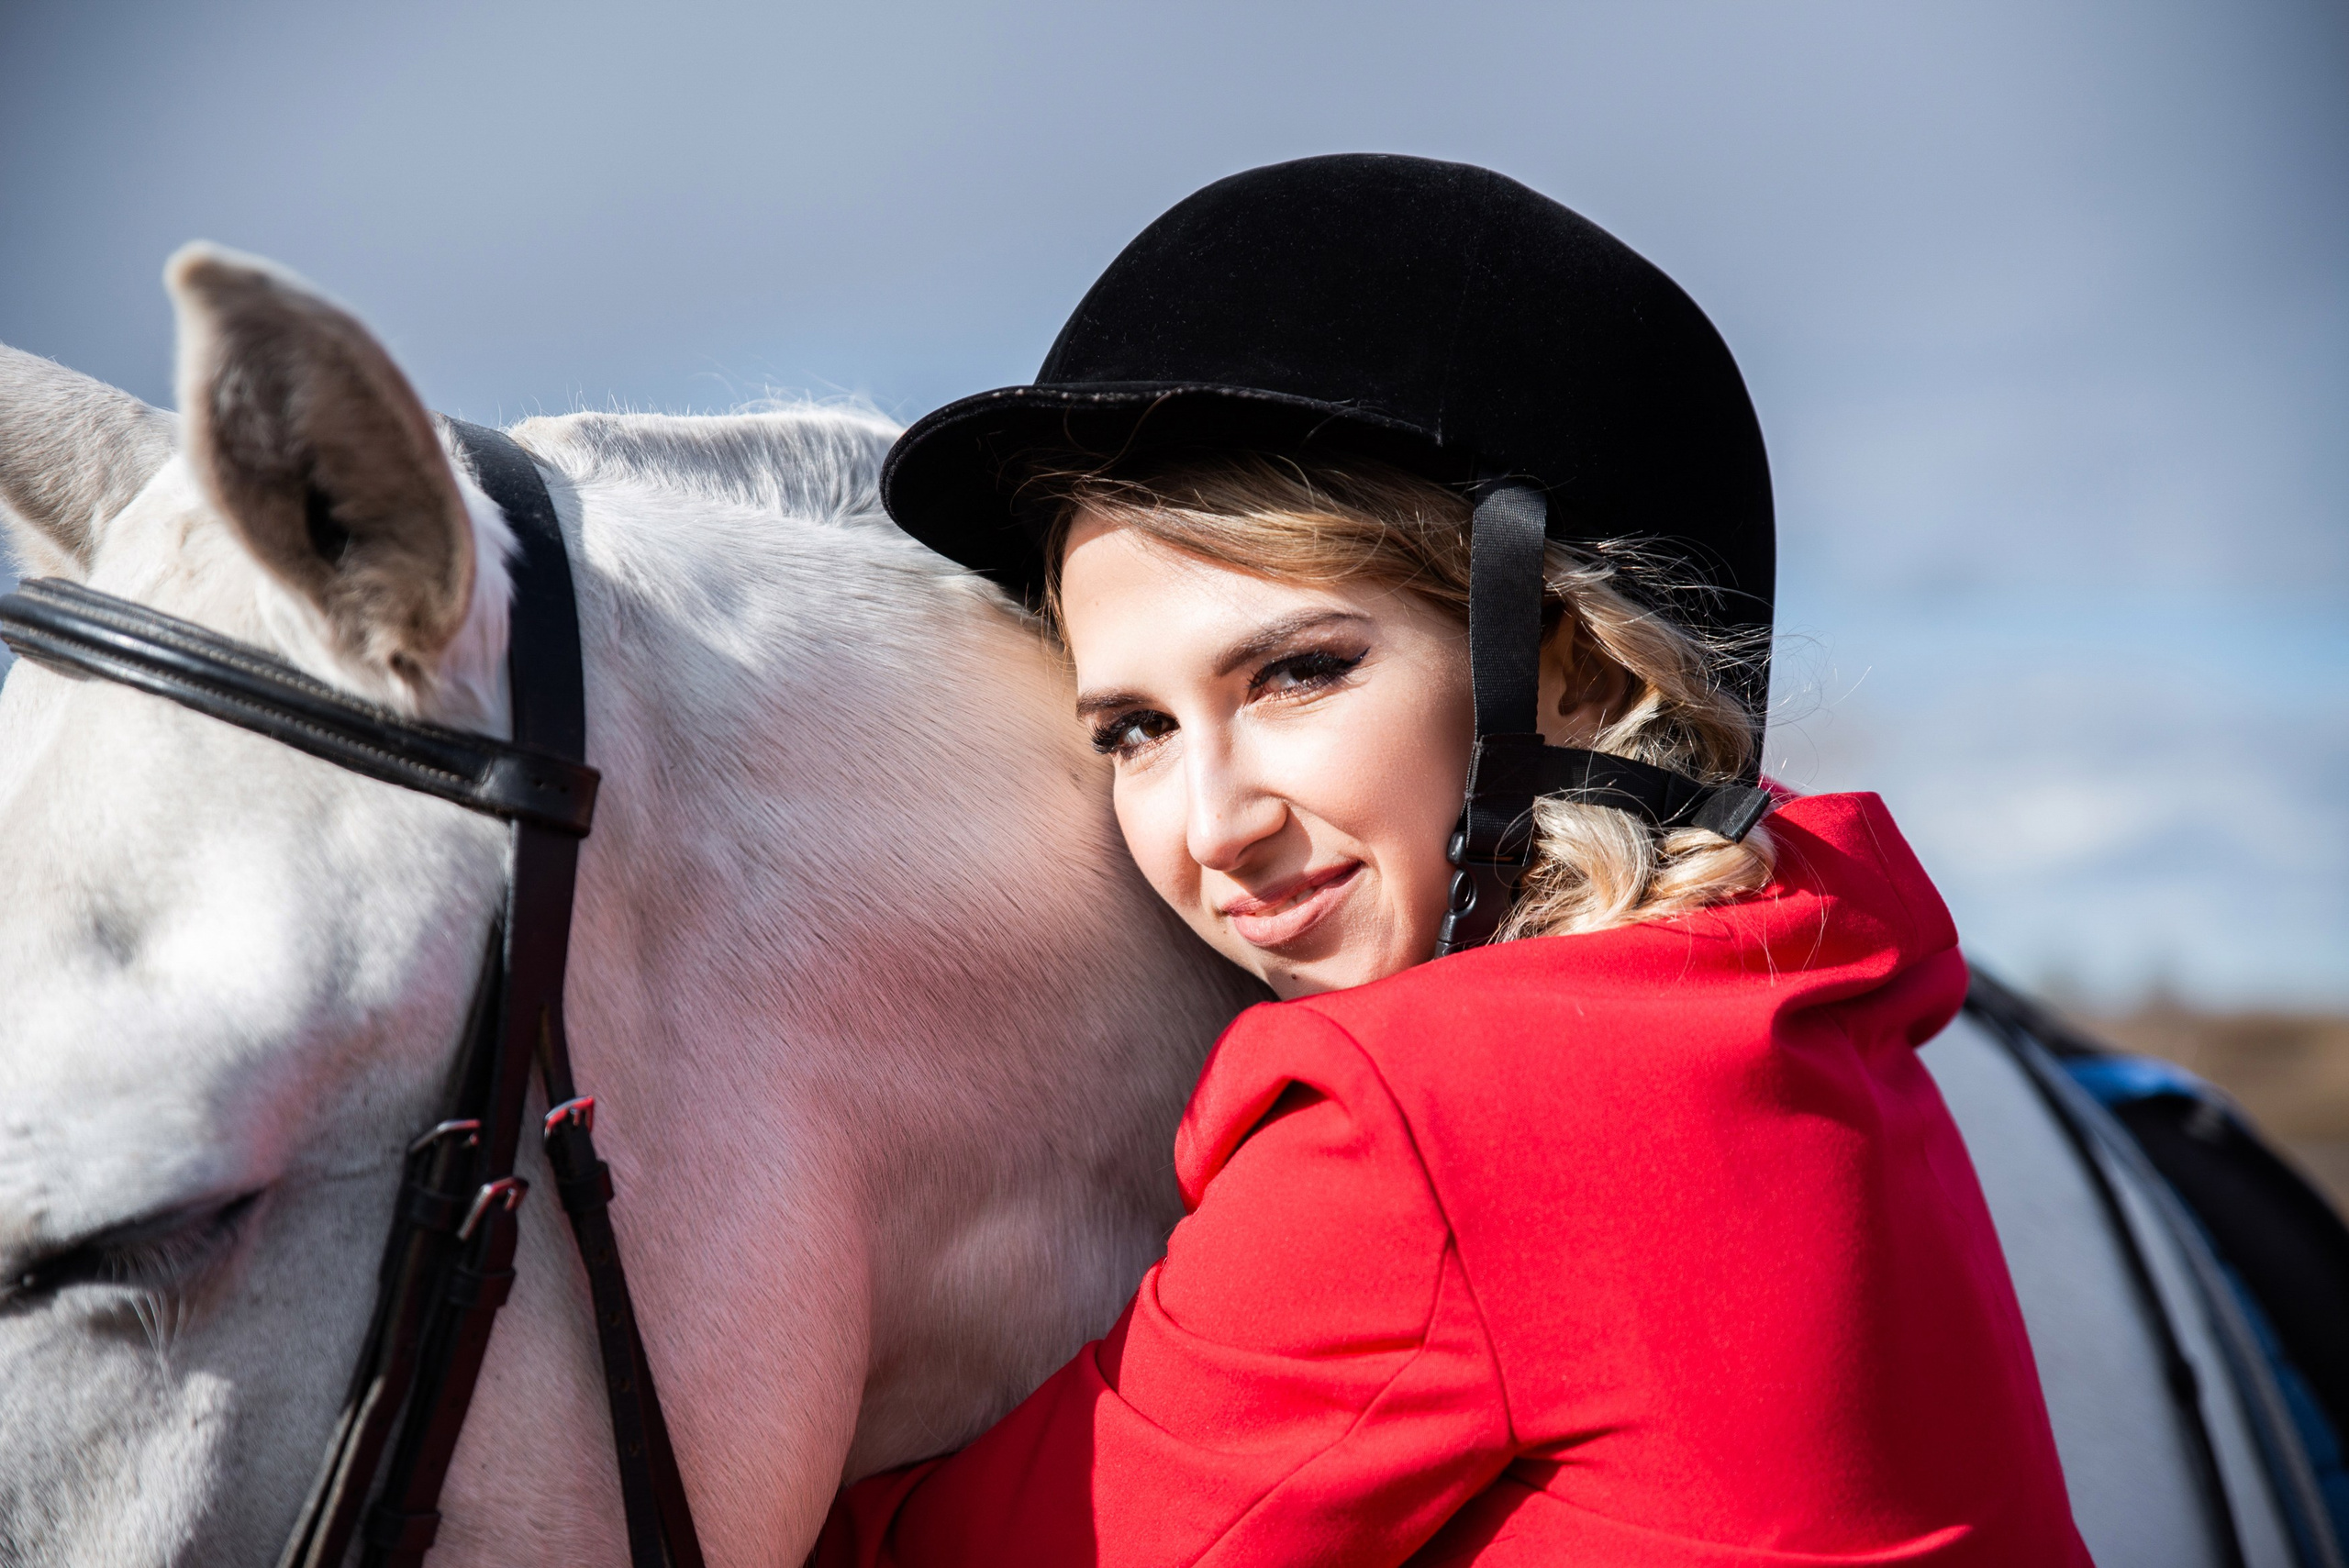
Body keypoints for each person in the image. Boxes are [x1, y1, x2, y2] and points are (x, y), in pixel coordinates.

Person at [813, 154, 2089, 1566]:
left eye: (1298, 672)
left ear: (1577, 672)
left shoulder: (1432, 1126)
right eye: (1135, 728)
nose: (1211, 820)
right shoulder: (1812, 1013)